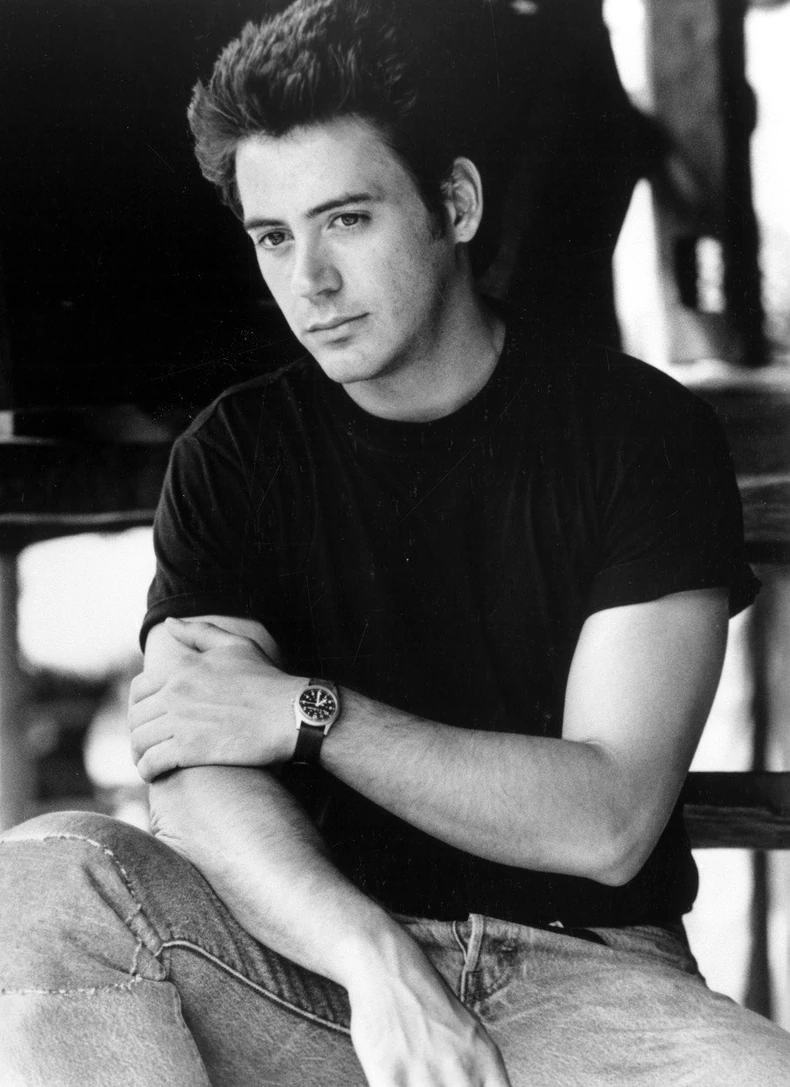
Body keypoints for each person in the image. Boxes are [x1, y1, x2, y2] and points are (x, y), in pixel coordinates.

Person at [1, 2, 789, 1084]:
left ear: (453, 203)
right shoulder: (236, 452)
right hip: (299, 969)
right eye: (275, 237)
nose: (309, 282)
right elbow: (196, 770)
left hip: (588, 981)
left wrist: (306, 712)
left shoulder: (636, 431)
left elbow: (605, 821)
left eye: (348, 220)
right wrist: (376, 963)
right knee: (48, 875)